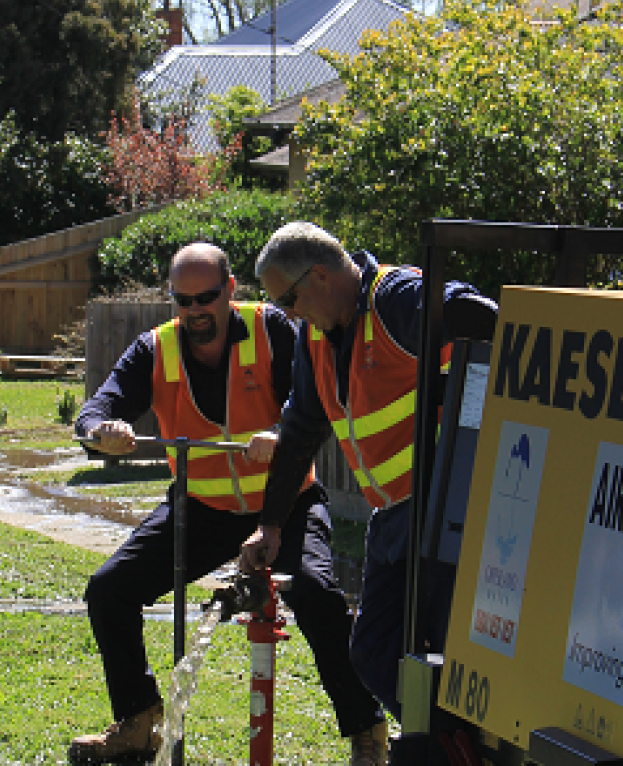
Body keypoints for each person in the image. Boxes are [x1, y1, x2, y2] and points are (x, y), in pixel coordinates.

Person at [68, 242, 386, 766]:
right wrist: (100, 430)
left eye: (206, 297)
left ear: (230, 290)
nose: (195, 311)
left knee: (315, 590)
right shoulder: (155, 348)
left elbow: (312, 406)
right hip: (202, 509)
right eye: (183, 300)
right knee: (108, 590)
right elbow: (98, 407)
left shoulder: (275, 329)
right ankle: (139, 721)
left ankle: (365, 730)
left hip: (285, 506)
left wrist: (279, 433)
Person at [239, 222, 498, 729]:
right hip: (393, 518)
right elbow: (299, 434)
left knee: (448, 654)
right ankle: (450, 750)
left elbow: (481, 315)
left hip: (450, 510)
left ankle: (455, 750)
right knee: (374, 654)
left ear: (319, 276)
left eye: (288, 300)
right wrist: (269, 525)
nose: (288, 314)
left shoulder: (396, 298)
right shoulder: (316, 338)